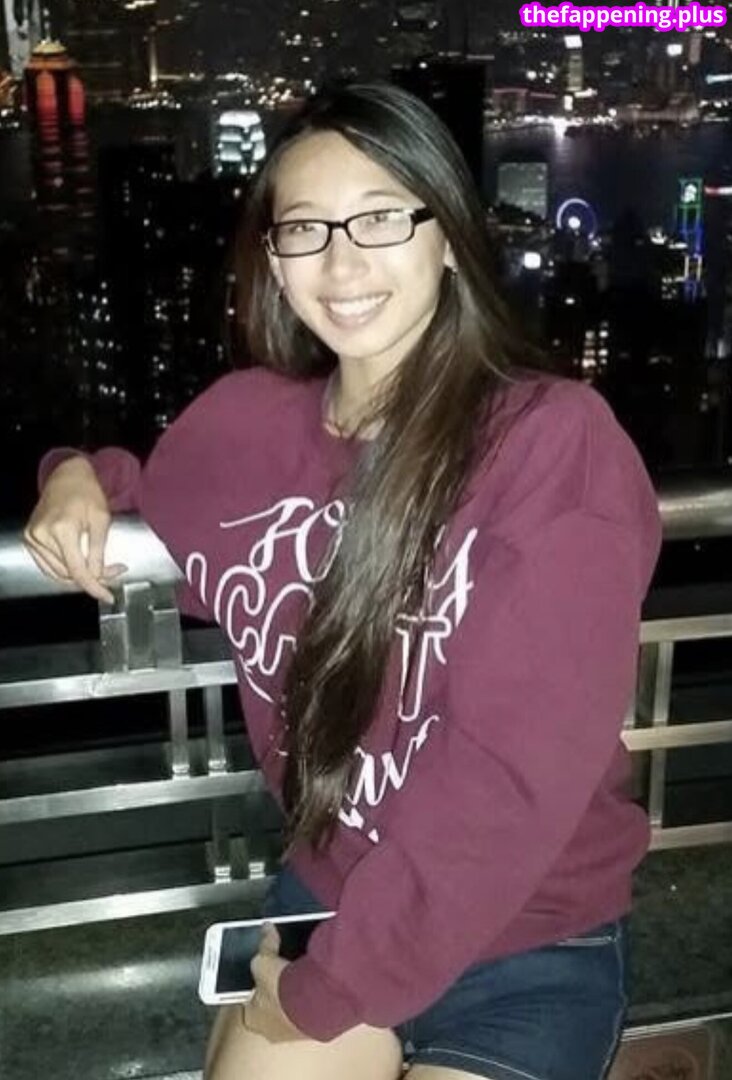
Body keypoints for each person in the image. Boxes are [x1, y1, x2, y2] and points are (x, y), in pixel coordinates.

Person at [24, 82, 662, 1080]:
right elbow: (150, 501)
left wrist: (333, 989)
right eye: (305, 229)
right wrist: (73, 474)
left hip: (530, 937)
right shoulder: (241, 426)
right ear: (273, 258)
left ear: (447, 236)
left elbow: (513, 776)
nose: (342, 262)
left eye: (381, 217)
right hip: (329, 903)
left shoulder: (548, 443)